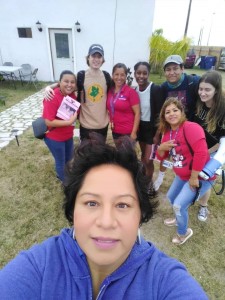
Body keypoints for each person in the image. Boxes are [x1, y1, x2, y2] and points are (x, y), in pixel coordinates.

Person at [0, 137, 208, 299]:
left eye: (122, 205)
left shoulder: (164, 281)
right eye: (91, 203)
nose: (106, 222)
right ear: (73, 210)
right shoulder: (38, 268)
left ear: (141, 214)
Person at [156, 98, 215, 245]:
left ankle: (183, 233)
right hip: (183, 175)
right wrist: (160, 149)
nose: (172, 114)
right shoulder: (167, 133)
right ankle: (178, 218)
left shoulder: (191, 127)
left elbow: (201, 153)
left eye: (175, 110)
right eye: (167, 112)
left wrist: (194, 177)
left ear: (182, 112)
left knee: (179, 205)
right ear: (164, 116)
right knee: (171, 197)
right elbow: (161, 158)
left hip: (200, 176)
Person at [44, 44, 111, 142]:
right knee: (85, 155)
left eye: (99, 56)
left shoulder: (106, 76)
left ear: (103, 59)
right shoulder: (81, 76)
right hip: (86, 125)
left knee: (100, 154)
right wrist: (49, 87)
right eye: (93, 56)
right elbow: (66, 84)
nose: (96, 59)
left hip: (103, 125)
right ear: (88, 58)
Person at [154, 54, 200, 191]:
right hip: (170, 128)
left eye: (175, 68)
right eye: (168, 69)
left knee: (186, 157)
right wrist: (158, 133)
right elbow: (161, 112)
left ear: (182, 69)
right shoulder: (163, 88)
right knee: (166, 153)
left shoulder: (193, 83)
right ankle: (161, 176)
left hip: (189, 129)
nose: (172, 72)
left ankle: (182, 179)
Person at [194, 70, 225, 221]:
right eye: (201, 88)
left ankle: (203, 207)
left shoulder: (223, 110)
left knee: (205, 179)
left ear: (216, 90)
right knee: (193, 176)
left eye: (207, 89)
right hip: (198, 148)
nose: (202, 93)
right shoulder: (198, 103)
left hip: (213, 151)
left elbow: (222, 143)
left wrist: (205, 152)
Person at [42, 70, 78, 182]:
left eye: (72, 82)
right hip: (55, 138)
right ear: (60, 82)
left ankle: (64, 175)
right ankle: (65, 181)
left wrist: (49, 86)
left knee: (69, 159)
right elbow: (48, 121)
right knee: (60, 161)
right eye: (66, 81)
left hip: (68, 136)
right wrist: (68, 122)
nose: (69, 84)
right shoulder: (52, 96)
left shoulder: (71, 94)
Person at [133, 61, 161, 192]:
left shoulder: (155, 89)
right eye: (138, 73)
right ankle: (143, 180)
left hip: (152, 130)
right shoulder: (135, 90)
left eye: (144, 73)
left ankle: (147, 184)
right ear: (134, 74)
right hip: (141, 128)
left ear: (148, 74)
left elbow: (161, 115)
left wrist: (157, 135)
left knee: (148, 160)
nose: (141, 76)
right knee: (143, 156)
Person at [106, 63, 140, 146]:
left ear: (125, 76)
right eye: (116, 74)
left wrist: (134, 133)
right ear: (112, 75)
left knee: (127, 157)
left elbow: (138, 113)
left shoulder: (130, 92)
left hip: (128, 132)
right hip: (115, 131)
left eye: (122, 75)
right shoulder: (110, 91)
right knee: (119, 156)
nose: (119, 78)